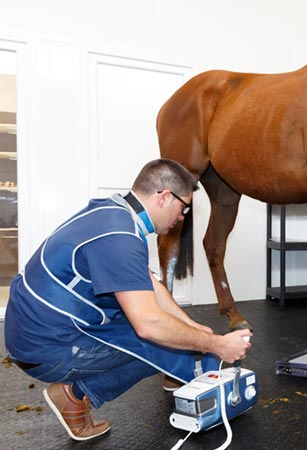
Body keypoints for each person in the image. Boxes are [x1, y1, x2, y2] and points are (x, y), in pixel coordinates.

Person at [4, 158, 252, 441]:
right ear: (163, 197)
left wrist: (193, 327)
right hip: (45, 348)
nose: (182, 217)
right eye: (183, 208)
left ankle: (185, 369)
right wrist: (216, 344)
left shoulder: (112, 212)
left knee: (175, 331)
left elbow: (148, 283)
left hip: (36, 330)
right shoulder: (120, 236)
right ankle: (75, 394)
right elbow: (149, 325)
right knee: (155, 336)